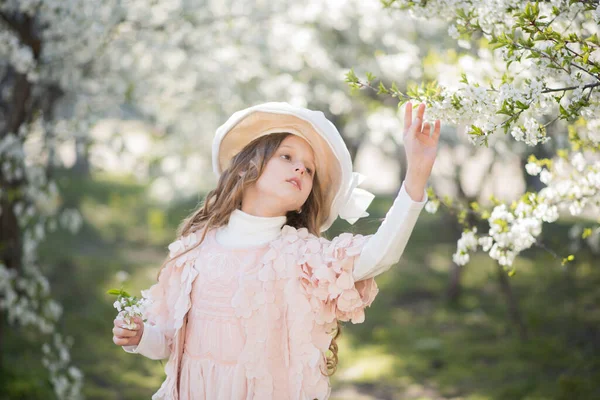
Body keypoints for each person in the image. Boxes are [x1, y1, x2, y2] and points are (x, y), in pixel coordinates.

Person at [112, 101, 440, 400]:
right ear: (245, 167)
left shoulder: (300, 256)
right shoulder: (195, 248)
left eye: (309, 170)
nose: (299, 169)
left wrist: (416, 176)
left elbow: (377, 256)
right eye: (286, 157)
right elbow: (170, 343)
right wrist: (141, 336)